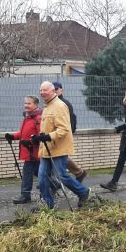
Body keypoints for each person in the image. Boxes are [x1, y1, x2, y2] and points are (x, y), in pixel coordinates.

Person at [34, 81, 90, 209]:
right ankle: (48, 204)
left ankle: (83, 192)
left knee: (62, 176)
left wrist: (48, 136)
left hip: (58, 148)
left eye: (45, 90)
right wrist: (39, 137)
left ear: (53, 91)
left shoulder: (60, 106)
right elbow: (48, 127)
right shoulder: (47, 106)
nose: (42, 92)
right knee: (42, 178)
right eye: (41, 90)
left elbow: (64, 129)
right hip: (46, 149)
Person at [4, 95, 41, 204]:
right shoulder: (27, 117)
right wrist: (13, 136)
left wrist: (30, 143)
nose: (26, 105)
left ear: (35, 105)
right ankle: (54, 184)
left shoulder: (38, 118)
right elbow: (23, 133)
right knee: (40, 173)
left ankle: (25, 195)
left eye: (29, 103)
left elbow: (40, 135)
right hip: (29, 153)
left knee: (28, 173)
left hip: (34, 153)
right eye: (25, 103)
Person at [52, 81, 87, 183]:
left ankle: (55, 180)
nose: (55, 91)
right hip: (55, 134)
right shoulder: (52, 103)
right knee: (59, 156)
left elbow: (70, 120)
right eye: (53, 90)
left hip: (63, 134)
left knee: (59, 156)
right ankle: (79, 172)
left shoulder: (64, 104)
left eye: (56, 89)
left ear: (61, 90)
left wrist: (67, 133)